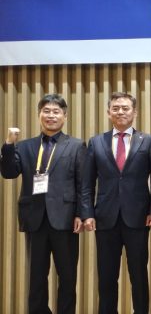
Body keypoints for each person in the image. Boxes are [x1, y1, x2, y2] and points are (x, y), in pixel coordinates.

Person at [1, 94, 86, 314]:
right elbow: (9, 172)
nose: (51, 116)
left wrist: (81, 214)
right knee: (36, 277)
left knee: (67, 276)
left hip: (65, 219)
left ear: (65, 116)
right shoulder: (25, 146)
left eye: (56, 112)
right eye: (46, 111)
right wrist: (9, 144)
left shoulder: (76, 145)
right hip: (35, 218)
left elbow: (82, 183)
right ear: (39, 114)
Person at [80, 92, 151, 314]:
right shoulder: (96, 142)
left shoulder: (148, 141)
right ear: (108, 112)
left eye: (125, 108)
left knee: (139, 274)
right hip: (105, 218)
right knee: (106, 276)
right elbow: (87, 183)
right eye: (115, 108)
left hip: (138, 217)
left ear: (135, 112)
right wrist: (87, 213)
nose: (120, 112)